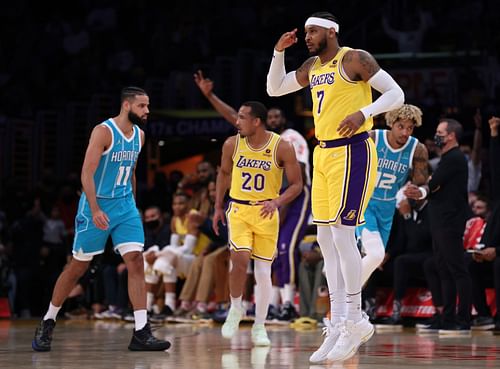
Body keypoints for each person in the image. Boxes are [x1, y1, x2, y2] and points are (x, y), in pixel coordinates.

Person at [267, 11, 404, 363]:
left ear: (330, 31)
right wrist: (278, 53)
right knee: (326, 239)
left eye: (312, 31)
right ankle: (338, 320)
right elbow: (275, 88)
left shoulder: (354, 58)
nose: (307, 36)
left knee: (343, 235)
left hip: (354, 150)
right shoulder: (313, 65)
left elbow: (396, 94)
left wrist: (364, 112)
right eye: (306, 31)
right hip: (324, 154)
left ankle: (355, 318)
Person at [32, 87, 170, 352]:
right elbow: (86, 174)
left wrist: (134, 206)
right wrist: (94, 209)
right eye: (142, 106)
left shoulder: (139, 136)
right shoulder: (103, 132)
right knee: (77, 268)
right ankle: (48, 320)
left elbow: (130, 173)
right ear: (127, 106)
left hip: (125, 206)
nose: (147, 111)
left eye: (148, 106)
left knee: (136, 261)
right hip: (96, 206)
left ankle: (141, 331)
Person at [194, 70, 311, 319]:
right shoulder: (244, 139)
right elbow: (232, 117)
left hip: (293, 196)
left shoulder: (289, 139)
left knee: (285, 247)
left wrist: (279, 204)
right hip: (259, 202)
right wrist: (210, 96)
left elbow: (295, 179)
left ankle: (288, 303)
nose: (274, 118)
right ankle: (264, 306)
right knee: (251, 257)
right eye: (271, 115)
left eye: (278, 115)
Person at [213, 101, 302, 346]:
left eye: (242, 118)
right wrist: (218, 206)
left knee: (263, 272)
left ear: (256, 122)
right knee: (240, 258)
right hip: (239, 209)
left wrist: (277, 201)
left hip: (266, 212)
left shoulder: (282, 147)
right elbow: (223, 174)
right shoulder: (232, 143)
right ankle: (235, 307)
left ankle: (260, 326)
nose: (237, 121)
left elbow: (297, 184)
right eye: (238, 117)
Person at [406, 118, 472, 334]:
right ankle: (446, 317)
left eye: (440, 132)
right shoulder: (447, 158)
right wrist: (423, 190)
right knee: (443, 268)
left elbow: (433, 184)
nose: (437, 136)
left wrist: (421, 191)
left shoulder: (454, 158)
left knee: (458, 270)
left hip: (449, 221)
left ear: (451, 135)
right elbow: (434, 185)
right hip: (441, 220)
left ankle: (462, 321)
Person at [358, 104, 429, 288]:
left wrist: (417, 190)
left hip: (388, 208)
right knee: (375, 255)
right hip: (365, 204)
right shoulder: (373, 138)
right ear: (391, 124)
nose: (405, 132)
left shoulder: (417, 149)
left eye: (410, 128)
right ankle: (341, 299)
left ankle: (349, 309)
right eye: (401, 126)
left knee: (373, 261)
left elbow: (421, 182)